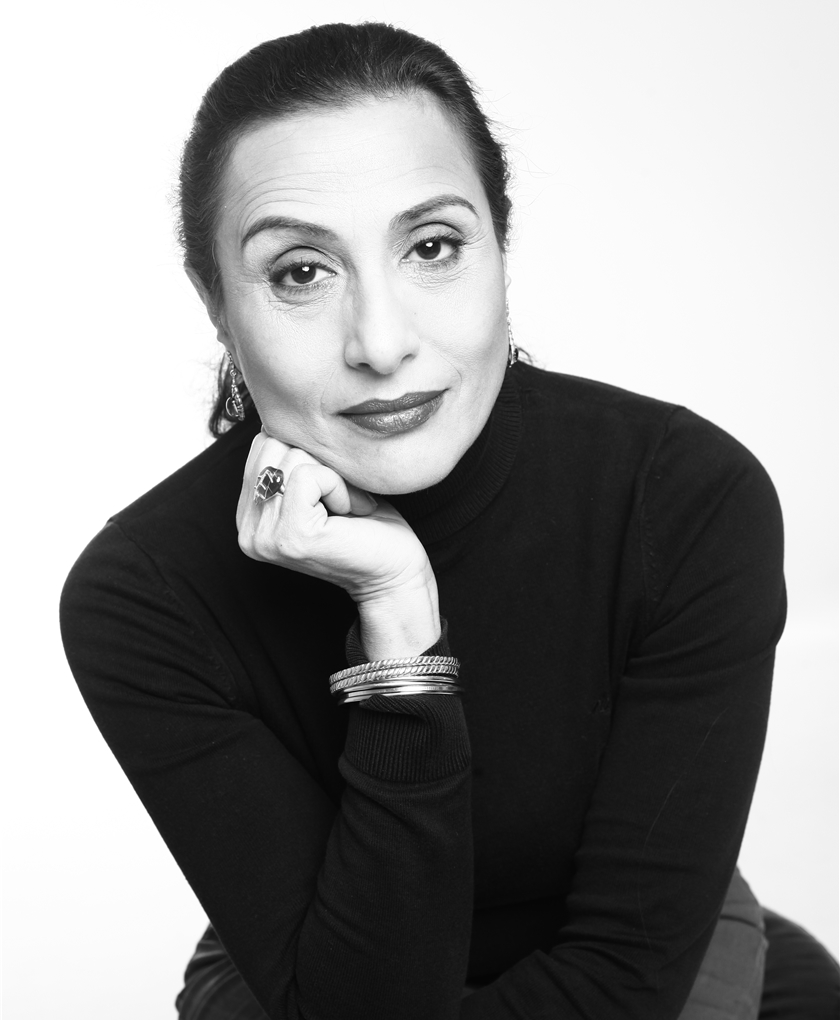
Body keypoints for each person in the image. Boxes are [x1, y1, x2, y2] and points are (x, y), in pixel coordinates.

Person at [60, 22, 838, 1020]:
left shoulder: (683, 498)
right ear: (216, 304)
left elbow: (626, 973)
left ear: (498, 250)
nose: (381, 343)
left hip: (646, 964)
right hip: (321, 975)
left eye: (431, 247)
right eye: (300, 271)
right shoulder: (142, 595)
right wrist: (397, 628)